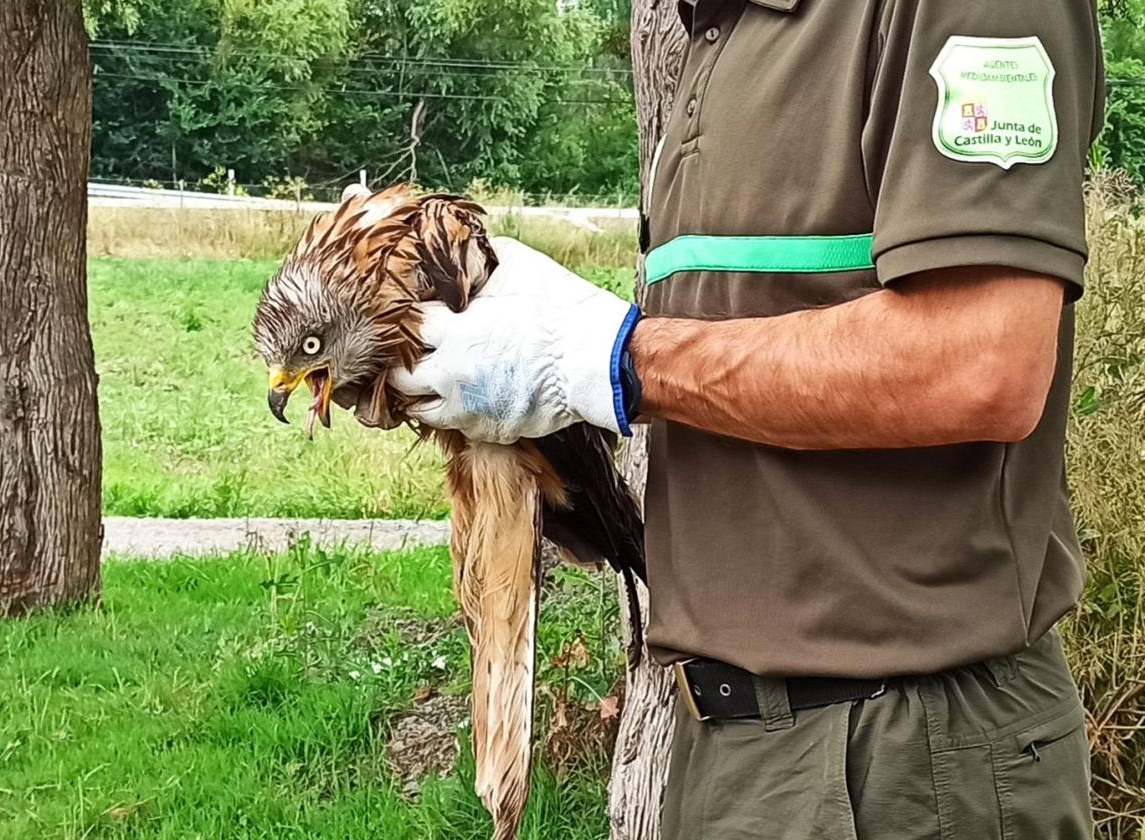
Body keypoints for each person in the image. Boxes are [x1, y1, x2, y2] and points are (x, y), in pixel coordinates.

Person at [391, 0, 1105, 836]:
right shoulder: (712, 30)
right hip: (731, 747)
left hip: (903, 764)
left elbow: (980, 360)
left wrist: (614, 361)